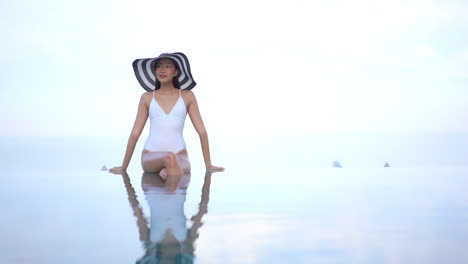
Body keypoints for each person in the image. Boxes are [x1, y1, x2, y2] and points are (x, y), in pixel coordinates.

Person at [110, 52, 223, 183]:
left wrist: (208, 165)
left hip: (181, 156)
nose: (162, 70)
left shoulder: (188, 96)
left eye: (168, 66)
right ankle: (180, 201)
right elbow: (135, 133)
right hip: (150, 156)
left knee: (166, 172)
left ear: (176, 72)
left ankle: (168, 198)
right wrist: (124, 166)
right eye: (159, 66)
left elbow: (202, 131)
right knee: (169, 158)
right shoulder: (147, 97)